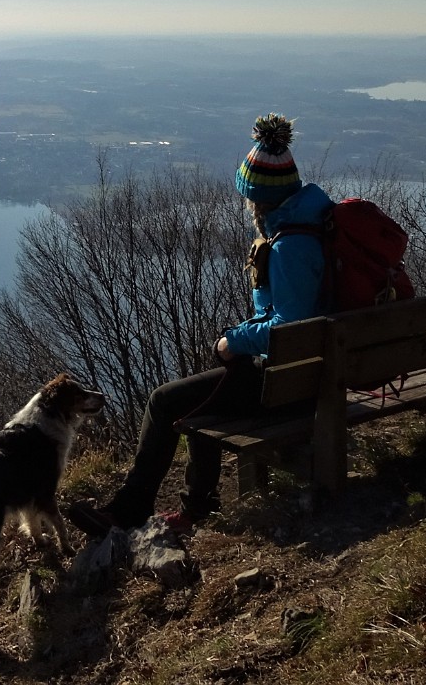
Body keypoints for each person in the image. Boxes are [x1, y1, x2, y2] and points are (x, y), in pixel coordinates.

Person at [67, 113, 333, 537]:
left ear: (259, 198)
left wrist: (233, 341)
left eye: (248, 198)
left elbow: (291, 325)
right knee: (206, 394)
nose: (246, 207)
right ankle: (198, 509)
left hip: (297, 384)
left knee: (164, 400)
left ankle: (130, 510)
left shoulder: (290, 246)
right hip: (319, 373)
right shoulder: (318, 222)